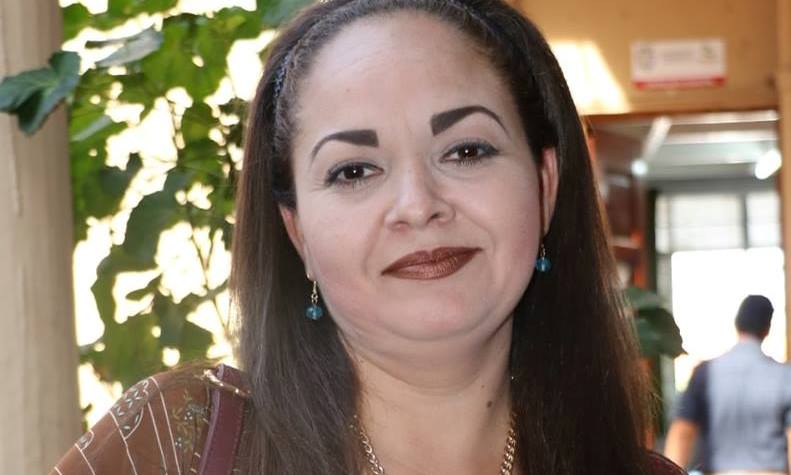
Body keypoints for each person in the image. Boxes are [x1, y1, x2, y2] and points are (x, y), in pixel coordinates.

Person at [52, 1, 686, 473]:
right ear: (297, 231)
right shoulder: (177, 448)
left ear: (545, 187)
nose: (418, 206)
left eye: (466, 150)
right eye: (353, 171)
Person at [664, 295, 791, 474]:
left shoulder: (705, 372)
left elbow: (682, 432)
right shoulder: (784, 376)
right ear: (766, 329)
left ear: (737, 324)